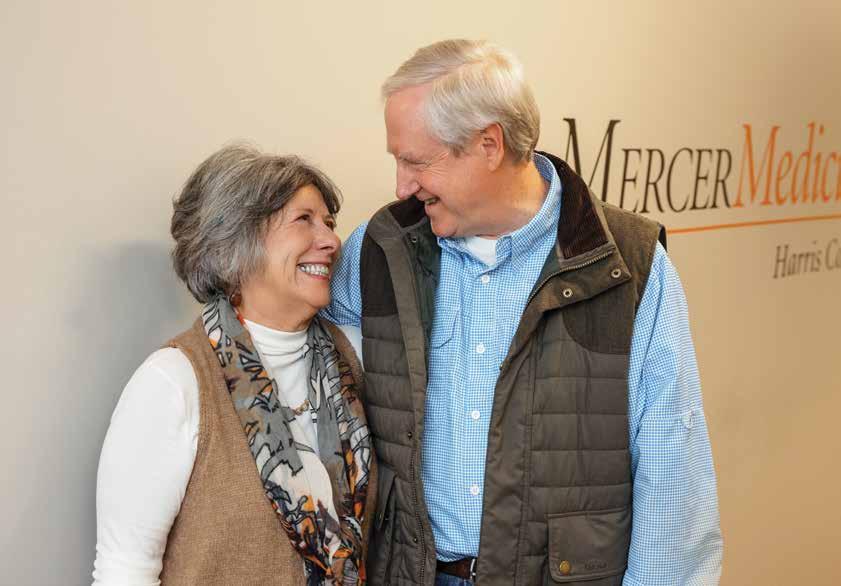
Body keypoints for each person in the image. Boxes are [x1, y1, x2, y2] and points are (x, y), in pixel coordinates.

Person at [324, 40, 723, 585]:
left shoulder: (630, 266)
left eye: (416, 161)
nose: (402, 185)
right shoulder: (381, 246)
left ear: (489, 144)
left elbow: (672, 473)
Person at [93, 144, 376, 585]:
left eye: (328, 223)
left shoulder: (353, 357)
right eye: (304, 220)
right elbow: (124, 571)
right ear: (236, 244)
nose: (331, 241)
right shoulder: (174, 382)